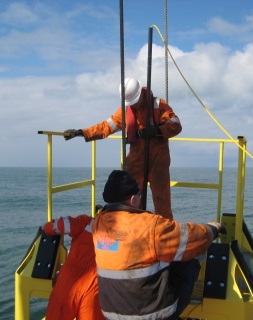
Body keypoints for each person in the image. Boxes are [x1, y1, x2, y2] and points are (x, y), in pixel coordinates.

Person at [92, 170, 223, 320]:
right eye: (140, 196)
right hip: (151, 315)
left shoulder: (98, 223)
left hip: (111, 314)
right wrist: (213, 228)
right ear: (133, 199)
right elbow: (194, 238)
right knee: (190, 256)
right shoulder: (149, 226)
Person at [64, 77, 182, 220]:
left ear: (141, 94)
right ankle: (132, 230)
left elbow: (176, 125)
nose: (135, 105)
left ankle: (165, 233)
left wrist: (157, 130)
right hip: (136, 160)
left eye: (135, 101)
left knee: (162, 202)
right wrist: (82, 132)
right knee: (130, 200)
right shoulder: (125, 111)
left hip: (158, 160)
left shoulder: (158, 105)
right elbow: (106, 126)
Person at [42, 214, 105, 320]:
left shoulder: (86, 222)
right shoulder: (118, 233)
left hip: (68, 282)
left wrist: (45, 227)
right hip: (94, 287)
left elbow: (61, 225)